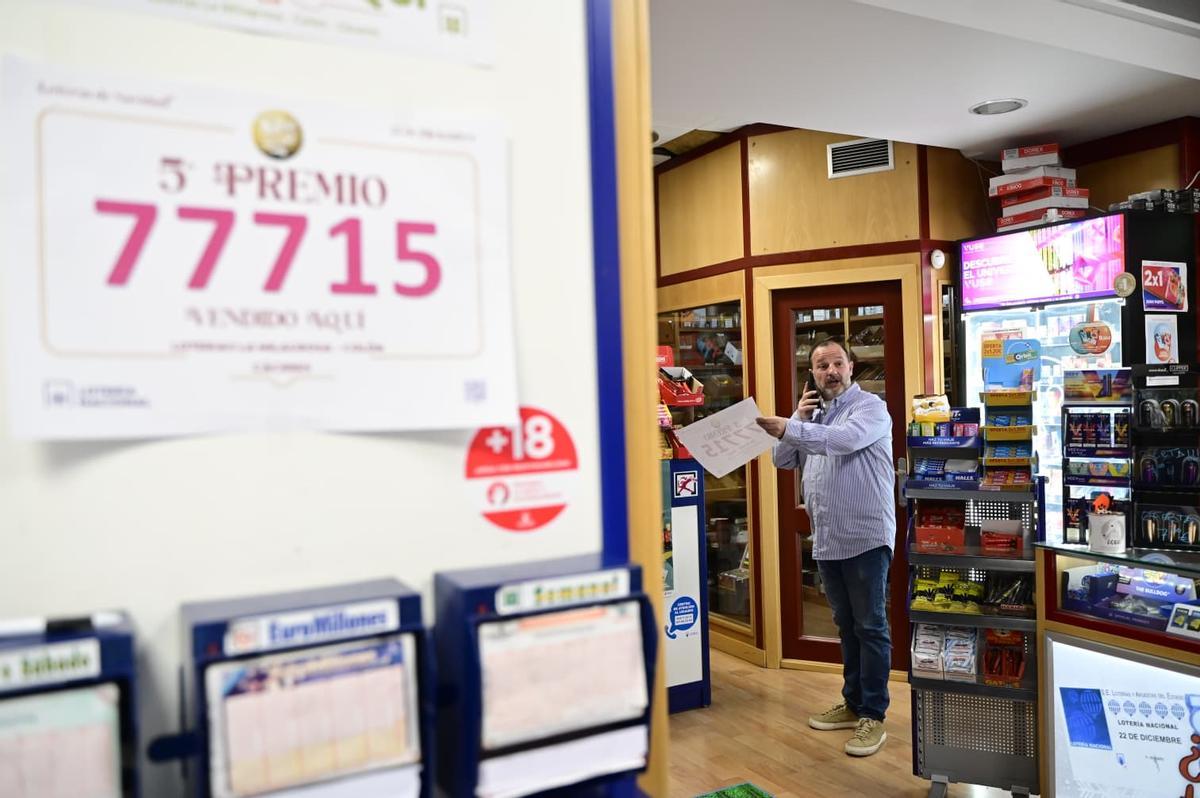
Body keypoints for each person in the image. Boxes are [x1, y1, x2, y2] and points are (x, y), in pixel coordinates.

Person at [755, 336, 895, 757]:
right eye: (821, 366)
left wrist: (792, 426)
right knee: (847, 626)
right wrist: (797, 418)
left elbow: (841, 442)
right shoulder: (813, 414)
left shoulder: (870, 408)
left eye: (837, 363)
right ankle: (853, 704)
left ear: (851, 367)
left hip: (866, 537)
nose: (830, 372)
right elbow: (782, 461)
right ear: (812, 374)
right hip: (829, 538)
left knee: (870, 627)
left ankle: (874, 714)